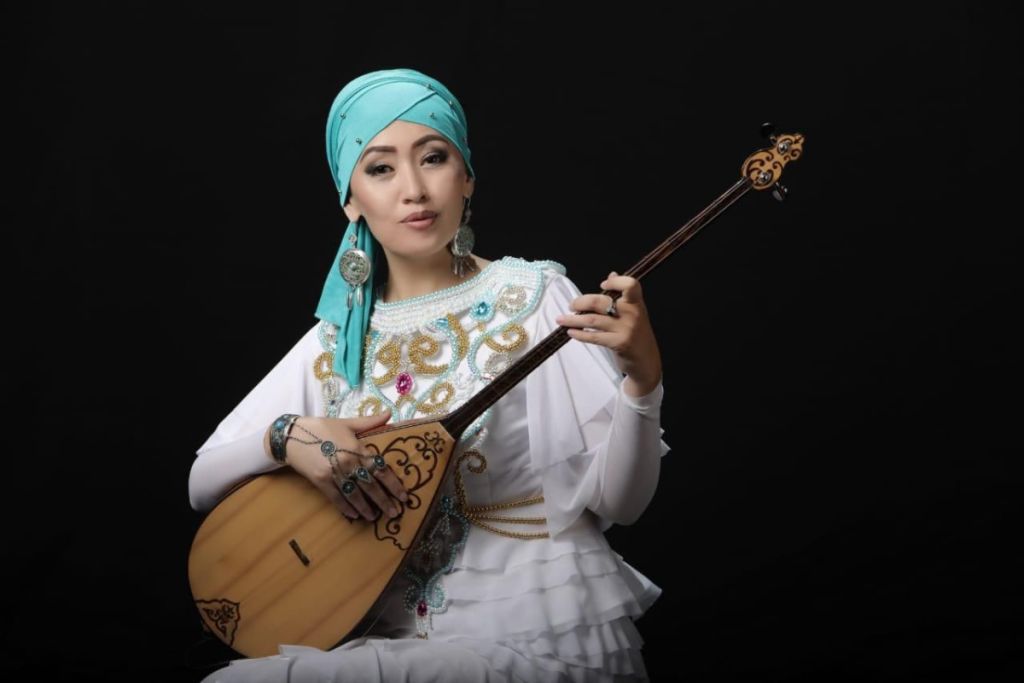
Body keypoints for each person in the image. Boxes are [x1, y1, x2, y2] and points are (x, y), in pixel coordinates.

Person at [189, 67, 670, 683]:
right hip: (384, 633)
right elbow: (202, 481)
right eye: (380, 168)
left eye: (434, 158)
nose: (414, 189)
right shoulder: (338, 340)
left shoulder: (533, 297)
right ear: (349, 199)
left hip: (533, 633)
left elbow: (621, 504)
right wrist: (288, 437)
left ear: (466, 177)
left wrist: (642, 381)